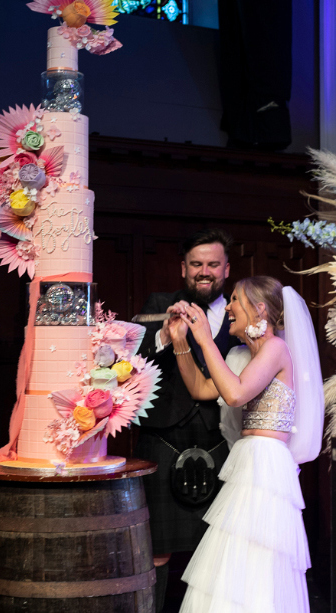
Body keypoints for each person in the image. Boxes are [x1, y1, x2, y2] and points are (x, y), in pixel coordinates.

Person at [166, 276, 322, 612]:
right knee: (234, 557)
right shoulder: (242, 355)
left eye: (235, 299)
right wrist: (182, 342)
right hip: (248, 461)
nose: (230, 307)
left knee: (258, 558)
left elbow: (234, 394)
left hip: (266, 466)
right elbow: (201, 388)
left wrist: (205, 338)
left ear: (260, 308)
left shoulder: (276, 349)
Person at [134, 228, 238, 610]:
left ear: (227, 268)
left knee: (215, 547)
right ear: (183, 268)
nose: (204, 271)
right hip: (162, 440)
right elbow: (128, 362)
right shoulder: (159, 304)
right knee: (158, 550)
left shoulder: (239, 313)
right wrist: (163, 336)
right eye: (196, 264)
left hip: (220, 442)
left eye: (213, 264)